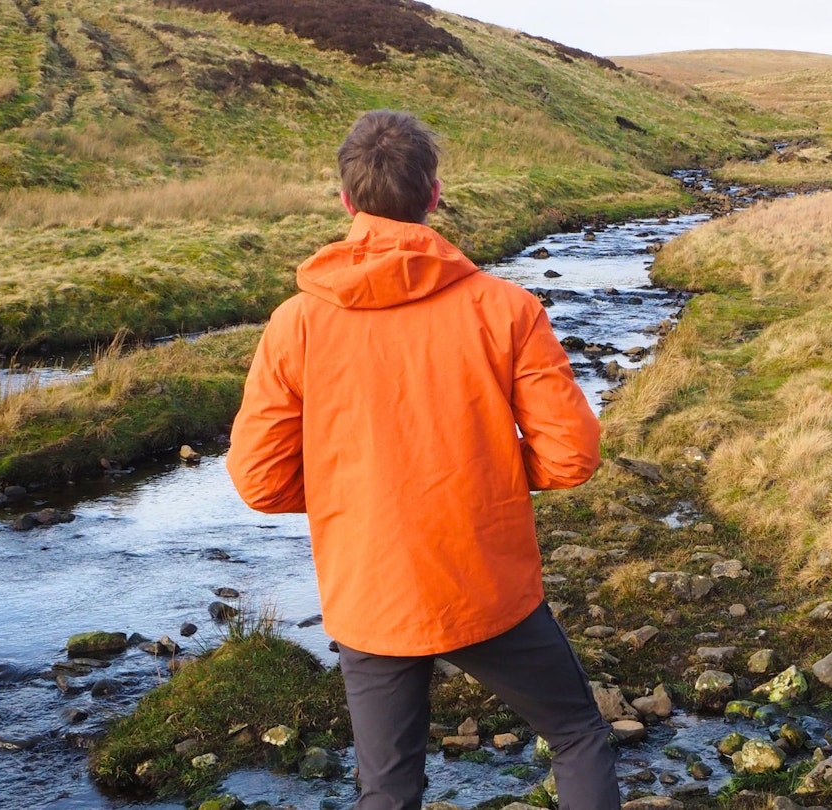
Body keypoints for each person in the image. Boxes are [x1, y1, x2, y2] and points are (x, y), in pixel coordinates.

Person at [227, 109, 620, 810]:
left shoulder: (296, 323)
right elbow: (571, 457)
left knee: (386, 787)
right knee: (579, 736)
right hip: (483, 581)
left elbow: (258, 480)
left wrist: (361, 493)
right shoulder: (506, 309)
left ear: (346, 200)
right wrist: (486, 473)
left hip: (369, 587)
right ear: (434, 194)